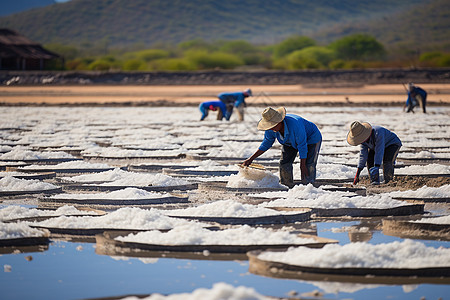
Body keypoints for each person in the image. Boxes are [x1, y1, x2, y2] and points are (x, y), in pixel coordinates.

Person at [242, 107, 322, 188]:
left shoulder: (295, 125)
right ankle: (286, 185)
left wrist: (302, 165)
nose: (272, 128)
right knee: (284, 163)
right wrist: (251, 159)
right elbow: (266, 143)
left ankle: (309, 187)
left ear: (280, 121)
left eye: (273, 125)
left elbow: (302, 145)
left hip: (311, 138)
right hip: (289, 141)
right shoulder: (271, 129)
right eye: (270, 126)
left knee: (308, 165)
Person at [347, 121, 402, 185]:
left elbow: (379, 150)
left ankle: (389, 181)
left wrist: (377, 166)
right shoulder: (363, 141)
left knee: (387, 160)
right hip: (376, 146)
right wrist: (357, 174)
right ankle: (374, 180)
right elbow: (363, 155)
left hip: (392, 143)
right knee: (370, 160)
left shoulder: (378, 132)